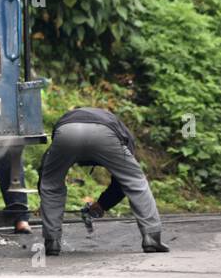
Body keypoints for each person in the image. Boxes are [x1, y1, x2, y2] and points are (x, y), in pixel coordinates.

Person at [38, 107, 168, 256]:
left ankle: (52, 241)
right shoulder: (122, 132)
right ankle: (152, 236)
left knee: (51, 184)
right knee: (135, 182)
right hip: (105, 133)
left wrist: (44, 202)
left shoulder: (71, 119)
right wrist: (104, 205)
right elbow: (123, 183)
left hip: (67, 131)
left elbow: (45, 174)